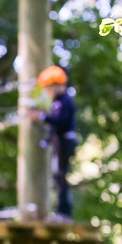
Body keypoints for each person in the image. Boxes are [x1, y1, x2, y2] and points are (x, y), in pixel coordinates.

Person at [37, 65, 78, 220]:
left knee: (61, 176)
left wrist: (43, 117)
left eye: (50, 88)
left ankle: (64, 213)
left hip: (65, 142)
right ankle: (61, 212)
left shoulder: (65, 101)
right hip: (60, 141)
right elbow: (55, 126)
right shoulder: (57, 102)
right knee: (58, 176)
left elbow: (60, 122)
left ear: (59, 86)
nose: (48, 92)